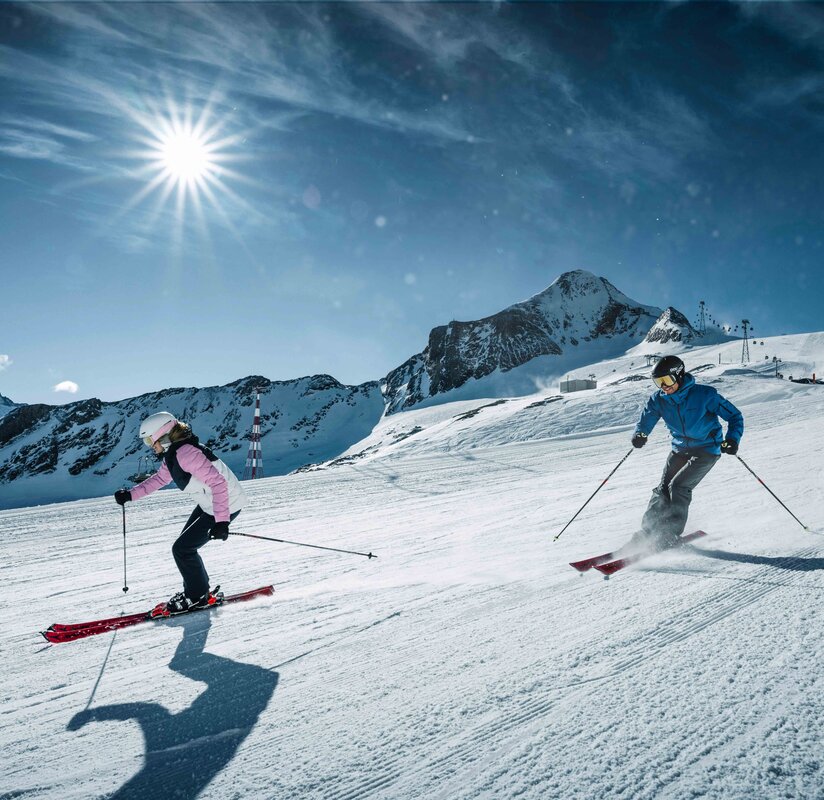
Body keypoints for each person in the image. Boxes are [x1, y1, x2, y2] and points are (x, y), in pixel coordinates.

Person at [114, 412, 247, 615]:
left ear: (164, 435)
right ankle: (199, 592)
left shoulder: (186, 454)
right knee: (185, 548)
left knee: (183, 549)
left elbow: (218, 482)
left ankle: (196, 597)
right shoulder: (174, 454)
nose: (150, 446)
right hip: (209, 504)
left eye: (150, 440)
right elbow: (159, 479)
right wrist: (130, 495)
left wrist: (222, 522)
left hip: (225, 503)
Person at [630, 355, 743, 549]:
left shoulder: (705, 395)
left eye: (667, 380)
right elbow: (647, 418)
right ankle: (647, 533)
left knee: (679, 487)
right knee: (663, 488)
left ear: (679, 375)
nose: (663, 386)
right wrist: (640, 433)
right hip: (680, 448)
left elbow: (735, 416)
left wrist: (732, 439)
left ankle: (669, 535)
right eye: (658, 382)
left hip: (707, 449)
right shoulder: (659, 399)